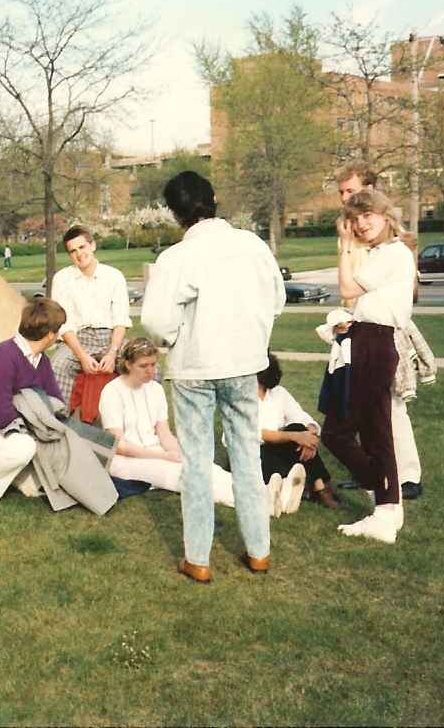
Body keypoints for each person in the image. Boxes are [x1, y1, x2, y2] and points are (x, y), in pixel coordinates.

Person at [141, 171, 285, 583]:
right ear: (214, 198)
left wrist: (173, 337)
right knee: (246, 456)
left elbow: (155, 321)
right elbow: (276, 301)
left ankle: (199, 558)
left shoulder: (176, 258)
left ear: (175, 213)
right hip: (243, 364)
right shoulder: (253, 245)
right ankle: (259, 551)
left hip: (195, 368)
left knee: (198, 463)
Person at [320, 187, 415, 544]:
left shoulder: (391, 252)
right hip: (363, 337)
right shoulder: (382, 253)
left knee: (374, 429)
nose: (360, 225)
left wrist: (345, 246)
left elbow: (346, 289)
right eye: (354, 219)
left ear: (385, 216)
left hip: (376, 342)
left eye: (367, 216)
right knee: (338, 430)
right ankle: (386, 496)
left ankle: (386, 508)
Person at [334, 161, 428, 500]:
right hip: (362, 325)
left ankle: (404, 478)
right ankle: (380, 475)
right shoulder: (363, 232)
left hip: (383, 331)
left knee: (389, 409)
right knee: (371, 410)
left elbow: (354, 285)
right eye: (343, 193)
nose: (347, 199)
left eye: (353, 191)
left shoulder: (385, 243)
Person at [99, 338, 237, 507]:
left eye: (153, 365)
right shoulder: (112, 392)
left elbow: (164, 433)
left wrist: (181, 452)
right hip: (125, 461)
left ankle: (262, 491)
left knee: (203, 465)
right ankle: (255, 502)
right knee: (185, 476)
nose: (150, 371)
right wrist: (164, 456)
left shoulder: (155, 389)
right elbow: (119, 446)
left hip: (155, 451)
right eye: (143, 366)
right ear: (128, 364)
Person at [0, 298, 68, 508]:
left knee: (50, 445)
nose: (59, 336)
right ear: (50, 335)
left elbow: (55, 400)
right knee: (25, 446)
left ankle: (16, 475)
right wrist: (37, 430)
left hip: (15, 423)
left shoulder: (41, 360)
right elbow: (0, 415)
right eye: (58, 330)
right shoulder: (2, 356)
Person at [50, 225, 131, 405]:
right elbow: (65, 325)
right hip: (78, 340)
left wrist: (112, 353)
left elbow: (120, 319)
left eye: (82, 247)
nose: (79, 254)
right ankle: (62, 424)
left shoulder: (114, 276)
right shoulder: (62, 279)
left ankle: (147, 422)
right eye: (73, 251)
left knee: (146, 363)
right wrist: (82, 356)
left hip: (111, 338)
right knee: (57, 366)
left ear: (92, 245)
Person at [256, 353, 337, 510]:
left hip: (277, 449)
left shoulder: (278, 393)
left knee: (299, 428)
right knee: (295, 435)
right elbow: (258, 434)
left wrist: (309, 437)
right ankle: (311, 486)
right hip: (253, 454)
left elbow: (301, 417)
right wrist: (296, 436)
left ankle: (318, 486)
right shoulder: (243, 398)